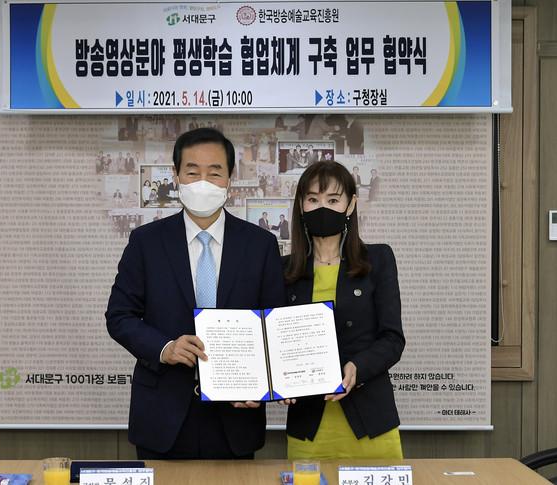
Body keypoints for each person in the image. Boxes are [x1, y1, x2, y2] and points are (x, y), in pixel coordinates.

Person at [106, 127, 285, 460]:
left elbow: (274, 324)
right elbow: (119, 316)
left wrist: (262, 381)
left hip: (235, 417)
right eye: (192, 172)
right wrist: (166, 348)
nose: (203, 182)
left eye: (214, 172)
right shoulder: (146, 242)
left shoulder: (260, 245)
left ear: (230, 178)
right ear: (176, 176)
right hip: (162, 415)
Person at [282, 161, 405, 460]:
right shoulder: (283, 270)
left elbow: (392, 339)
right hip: (308, 427)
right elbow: (273, 340)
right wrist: (278, 378)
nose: (322, 207)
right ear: (301, 206)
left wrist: (357, 368)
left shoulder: (378, 260)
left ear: (350, 205)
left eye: (333, 200)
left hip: (371, 422)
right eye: (313, 199)